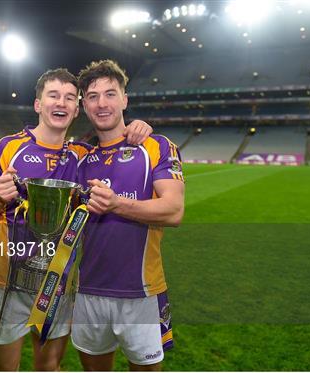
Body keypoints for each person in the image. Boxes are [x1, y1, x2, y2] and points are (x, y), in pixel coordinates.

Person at [0, 67, 153, 371]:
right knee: (2, 368)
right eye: (53, 96)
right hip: (7, 282)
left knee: (49, 367)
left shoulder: (83, 155)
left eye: (69, 98)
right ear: (38, 104)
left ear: (76, 110)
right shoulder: (7, 148)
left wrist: (140, 128)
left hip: (57, 284)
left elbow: (118, 144)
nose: (61, 103)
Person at [72, 60, 185, 371]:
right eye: (92, 96)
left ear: (125, 99)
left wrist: (116, 204)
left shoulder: (157, 146)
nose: (102, 103)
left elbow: (174, 211)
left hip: (142, 293)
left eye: (111, 94)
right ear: (84, 105)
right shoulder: (79, 158)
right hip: (87, 292)